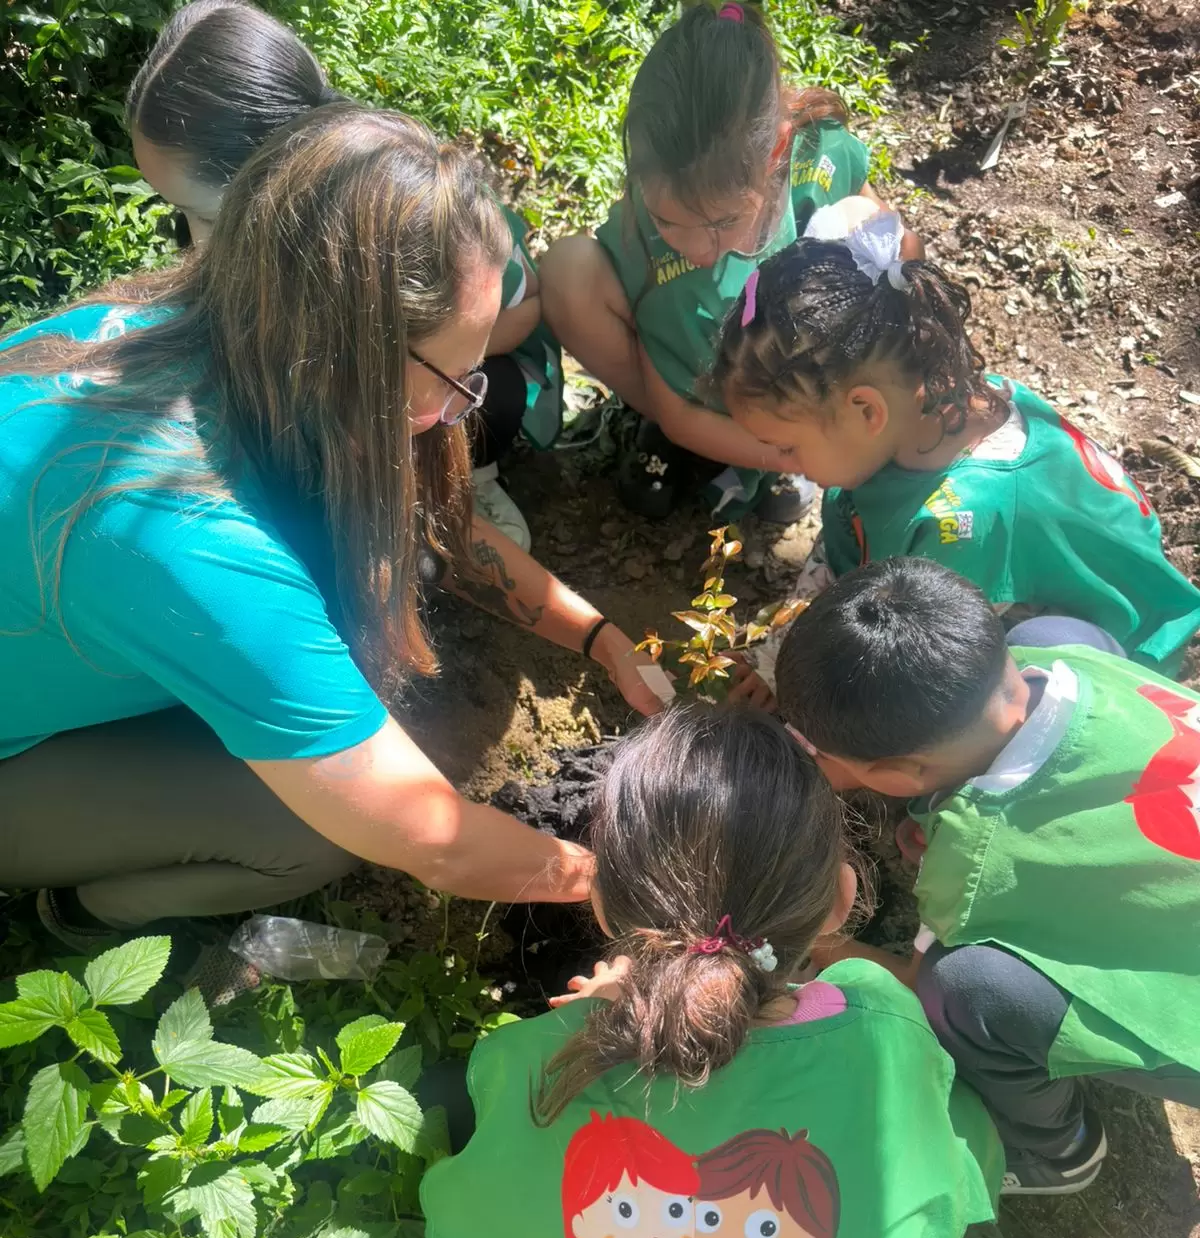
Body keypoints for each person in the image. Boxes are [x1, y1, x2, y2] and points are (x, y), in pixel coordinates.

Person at [0, 104, 662, 976]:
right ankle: (88, 908)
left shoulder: (223, 332)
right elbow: (431, 838)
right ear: (344, 354)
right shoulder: (191, 541)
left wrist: (599, 639)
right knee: (310, 831)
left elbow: (437, 530)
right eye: (453, 378)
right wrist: (622, 881)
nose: (463, 406)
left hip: (72, 643)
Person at [422, 701, 1000, 1238]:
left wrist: (588, 1030)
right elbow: (958, 1182)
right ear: (842, 896)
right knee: (964, 1166)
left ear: (606, 902)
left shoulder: (526, 1064)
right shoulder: (885, 1029)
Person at [775, 557, 1200, 1197]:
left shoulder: (973, 863)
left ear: (895, 774)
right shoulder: (1059, 654)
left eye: (821, 755)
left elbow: (918, 987)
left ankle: (1057, 1152)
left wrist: (821, 942)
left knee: (964, 987)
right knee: (1067, 629)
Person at [126, 0, 557, 549]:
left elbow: (525, 305)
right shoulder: (265, 244)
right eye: (177, 211)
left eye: (209, 216)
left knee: (471, 396)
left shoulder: (417, 222)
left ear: (286, 179)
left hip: (455, 373)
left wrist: (439, 366)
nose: (195, 245)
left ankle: (461, 488)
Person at [713, 222, 1200, 673]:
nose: (780, 463)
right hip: (996, 584)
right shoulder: (920, 412)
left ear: (866, 412)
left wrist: (808, 712)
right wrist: (780, 649)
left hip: (1110, 651)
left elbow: (920, 674)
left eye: (787, 447)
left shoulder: (960, 527)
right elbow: (847, 530)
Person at [540, 0, 893, 525]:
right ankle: (724, 446)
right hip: (694, 386)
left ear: (777, 152)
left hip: (801, 379)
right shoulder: (655, 217)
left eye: (722, 224)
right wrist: (783, 454)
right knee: (565, 269)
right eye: (669, 221)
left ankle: (794, 428)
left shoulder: (820, 165)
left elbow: (894, 251)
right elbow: (680, 414)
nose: (697, 250)